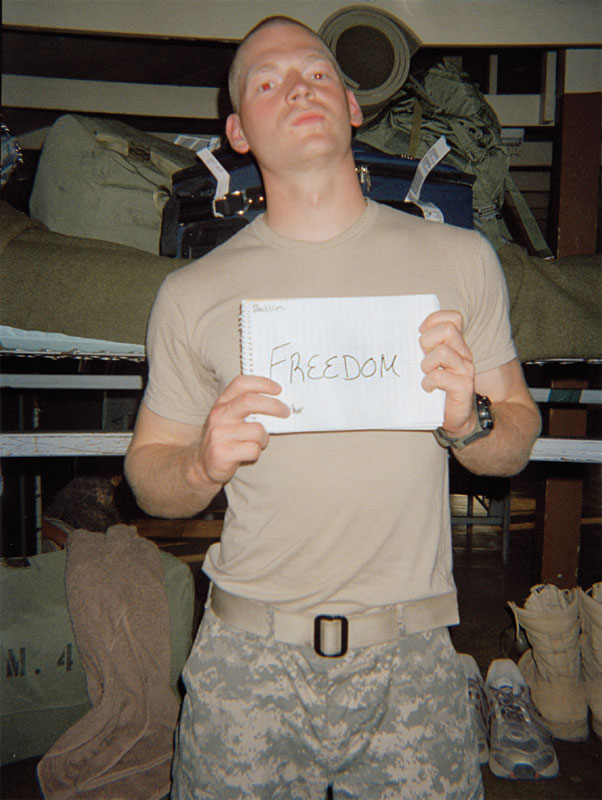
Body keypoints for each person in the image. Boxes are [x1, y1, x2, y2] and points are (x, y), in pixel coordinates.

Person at [125, 15, 541, 800]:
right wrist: (200, 464)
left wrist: (468, 423)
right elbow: (148, 479)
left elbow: (516, 437)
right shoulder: (190, 294)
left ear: (352, 106)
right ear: (237, 131)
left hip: (413, 657)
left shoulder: (460, 258)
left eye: (317, 73)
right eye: (267, 82)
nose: (298, 88)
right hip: (247, 659)